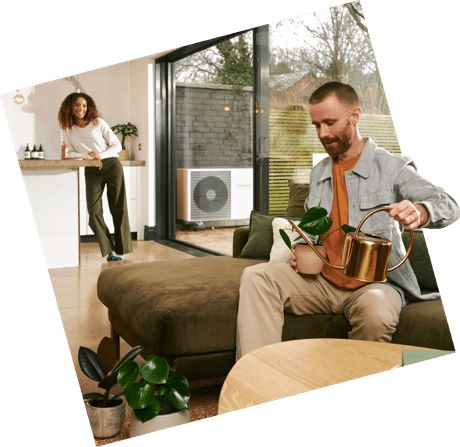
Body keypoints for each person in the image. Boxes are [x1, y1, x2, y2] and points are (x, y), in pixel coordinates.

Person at [236, 81, 459, 361]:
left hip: (376, 285)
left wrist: (420, 211)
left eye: (330, 122)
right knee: (256, 277)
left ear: (355, 116)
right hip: (322, 281)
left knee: (376, 313)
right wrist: (306, 251)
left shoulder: (392, 167)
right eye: (317, 125)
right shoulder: (319, 173)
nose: (323, 133)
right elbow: (313, 230)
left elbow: (448, 204)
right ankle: (256, 382)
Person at [58, 93, 132, 261]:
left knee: (118, 208)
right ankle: (109, 250)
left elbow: (116, 145)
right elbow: (68, 152)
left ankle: (122, 249)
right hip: (91, 169)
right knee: (93, 212)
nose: (81, 109)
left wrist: (99, 155)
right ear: (69, 107)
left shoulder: (98, 122)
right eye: (77, 105)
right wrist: (87, 155)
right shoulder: (67, 128)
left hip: (111, 166)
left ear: (88, 107)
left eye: (84, 105)